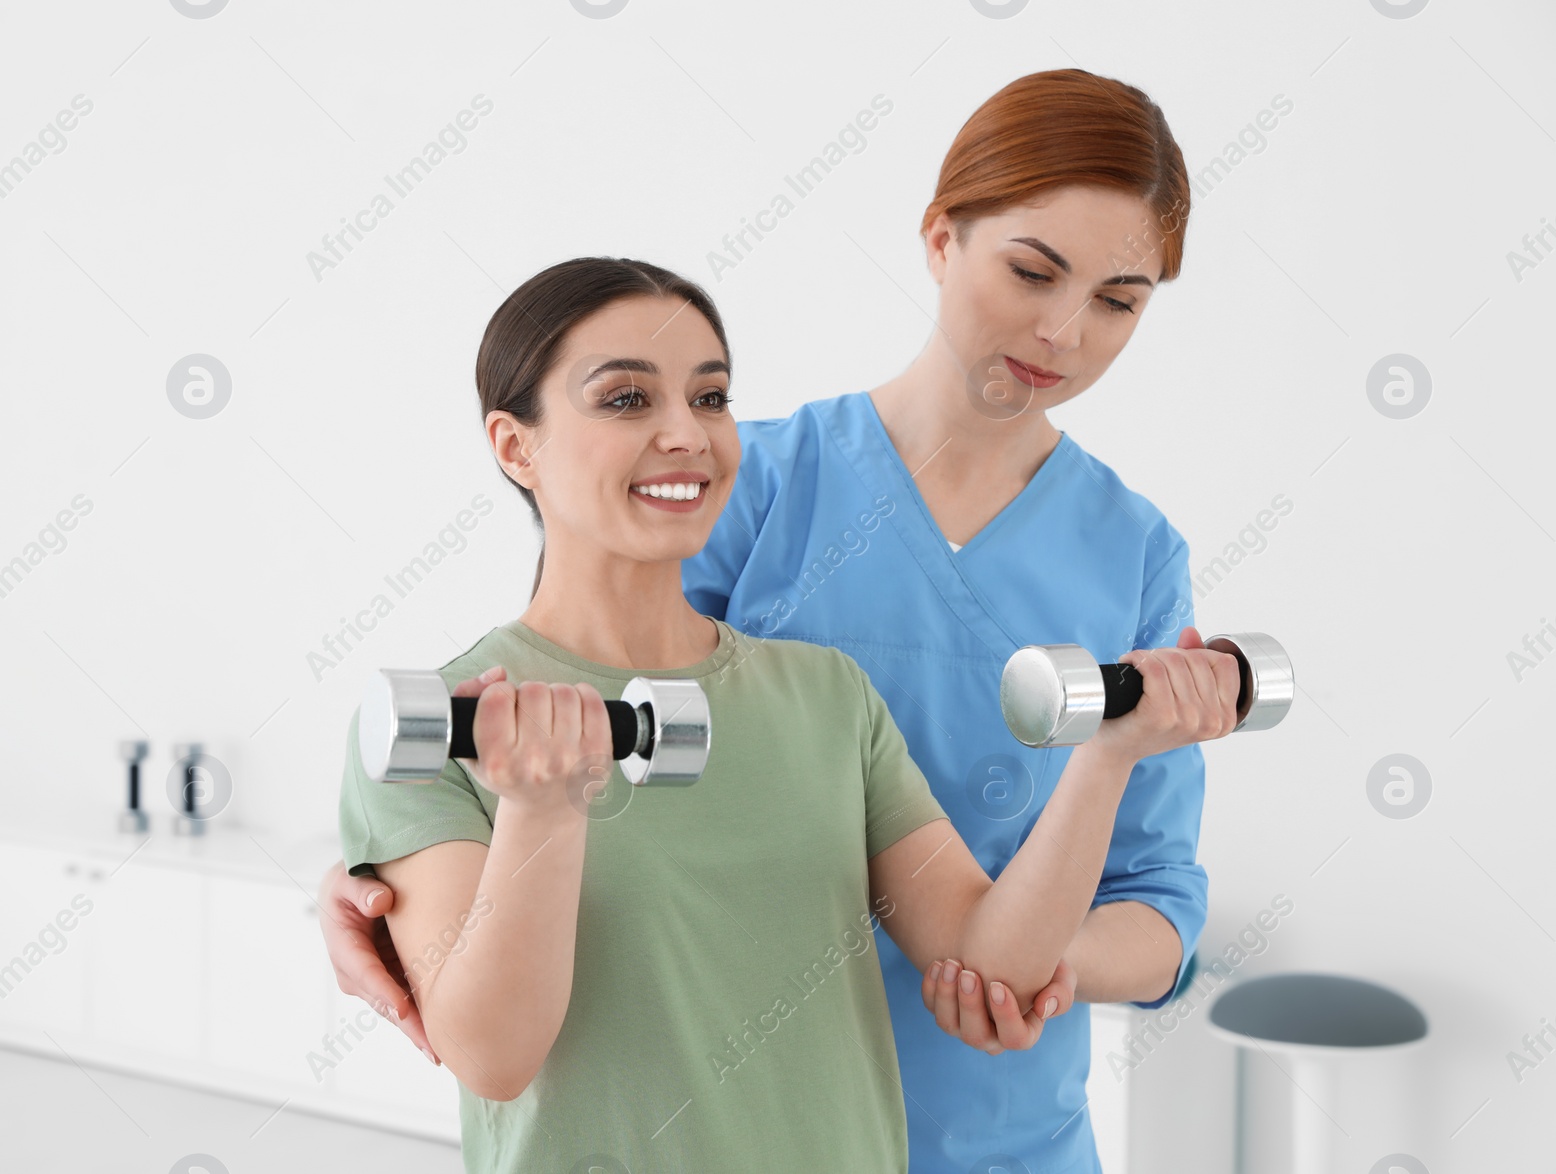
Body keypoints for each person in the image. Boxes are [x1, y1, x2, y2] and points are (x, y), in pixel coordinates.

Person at [325, 67, 1220, 1171]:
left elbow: (1157, 894)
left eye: (1119, 301)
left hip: (996, 1121)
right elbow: (586, 718)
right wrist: (401, 885)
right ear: (941, 238)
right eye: (1031, 270)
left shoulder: (1130, 553)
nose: (1062, 330)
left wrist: (1023, 961)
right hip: (703, 1106)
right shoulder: (752, 486)